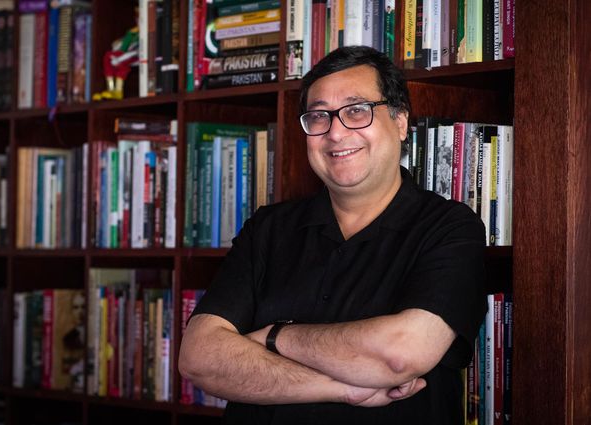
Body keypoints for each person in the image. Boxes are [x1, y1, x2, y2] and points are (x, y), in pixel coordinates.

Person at [179, 46, 487, 424]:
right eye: (319, 116)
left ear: (401, 121)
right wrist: (344, 388)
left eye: (357, 110)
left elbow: (401, 354)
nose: (336, 133)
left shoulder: (451, 227)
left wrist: (276, 337)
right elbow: (199, 358)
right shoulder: (269, 229)